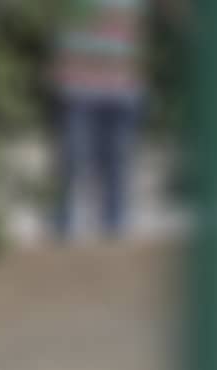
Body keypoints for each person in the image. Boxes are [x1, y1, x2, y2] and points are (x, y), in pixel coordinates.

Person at [51, 0, 146, 239]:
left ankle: (114, 225)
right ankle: (64, 223)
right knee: (73, 157)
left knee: (118, 159)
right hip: (77, 83)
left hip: (122, 84)